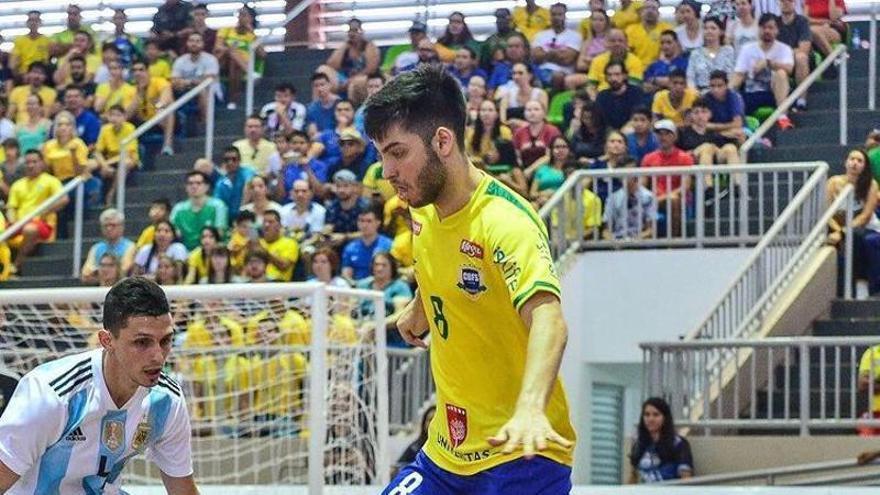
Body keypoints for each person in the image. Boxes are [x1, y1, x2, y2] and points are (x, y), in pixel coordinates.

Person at [366, 64, 575, 495]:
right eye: (381, 154)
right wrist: (421, 304)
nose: (387, 170)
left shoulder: (506, 222)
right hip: (447, 452)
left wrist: (530, 408)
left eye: (397, 152)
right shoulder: (422, 207)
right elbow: (442, 260)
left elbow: (549, 320)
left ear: (443, 141)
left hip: (521, 450)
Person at [0, 277, 199, 494]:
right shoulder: (51, 395)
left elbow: (183, 490)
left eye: (166, 341)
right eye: (142, 342)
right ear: (107, 341)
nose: (158, 357)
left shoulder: (167, 399)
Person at [827, 149, 880, 297]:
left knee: (856, 238)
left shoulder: (871, 184)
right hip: (839, 229)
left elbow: (865, 216)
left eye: (859, 161)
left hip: (867, 228)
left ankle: (862, 287)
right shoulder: (833, 182)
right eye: (852, 159)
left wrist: (843, 232)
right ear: (846, 162)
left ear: (865, 166)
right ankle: (841, 291)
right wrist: (838, 231)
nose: (854, 163)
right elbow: (827, 213)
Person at [6, 150, 67, 273]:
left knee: (30, 229)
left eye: (34, 162)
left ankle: (16, 265)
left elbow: (64, 199)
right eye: (28, 162)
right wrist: (12, 220)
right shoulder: (17, 185)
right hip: (19, 223)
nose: (31, 165)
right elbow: (11, 207)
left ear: (42, 163)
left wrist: (45, 212)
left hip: (42, 224)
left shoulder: (51, 181)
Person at [732, 14, 795, 130]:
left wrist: (768, 63)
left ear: (777, 31)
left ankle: (783, 117)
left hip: (774, 93)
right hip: (751, 93)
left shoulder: (784, 49)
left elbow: (789, 69)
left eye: (771, 28)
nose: (766, 31)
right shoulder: (747, 49)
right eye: (763, 27)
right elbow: (738, 74)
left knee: (781, 73)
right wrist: (729, 90)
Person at [641, 119, 694, 236]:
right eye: (659, 133)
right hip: (654, 200)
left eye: (667, 133)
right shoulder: (648, 158)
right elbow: (642, 186)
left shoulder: (685, 158)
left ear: (675, 136)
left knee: (673, 200)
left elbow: (685, 187)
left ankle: (675, 242)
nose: (663, 137)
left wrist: (663, 198)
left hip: (678, 200)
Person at [628, 397, 694, 483]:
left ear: (665, 418)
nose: (650, 419)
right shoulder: (638, 443)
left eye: (656, 415)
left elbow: (686, 480)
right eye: (647, 415)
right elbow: (633, 478)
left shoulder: (678, 444)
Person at [356, 252, 414, 346]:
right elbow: (352, 307)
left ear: (392, 267)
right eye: (377, 265)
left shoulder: (400, 287)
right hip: (362, 335)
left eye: (384, 265)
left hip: (391, 343)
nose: (379, 268)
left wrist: (375, 325)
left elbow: (399, 316)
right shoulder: (362, 285)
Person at [214, 5, 263, 109]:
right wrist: (230, 50)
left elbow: (262, 55)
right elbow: (217, 47)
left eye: (244, 15)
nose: (241, 17)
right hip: (222, 62)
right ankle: (250, 73)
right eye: (239, 14)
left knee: (235, 64)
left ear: (251, 19)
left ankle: (232, 101)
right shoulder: (226, 30)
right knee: (232, 51)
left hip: (239, 65)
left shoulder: (251, 35)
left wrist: (253, 33)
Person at [324, 18, 380, 106]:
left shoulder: (369, 46)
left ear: (362, 32)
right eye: (350, 31)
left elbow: (371, 69)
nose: (352, 34)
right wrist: (345, 46)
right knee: (322, 73)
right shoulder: (345, 47)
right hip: (344, 78)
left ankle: (351, 110)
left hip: (364, 79)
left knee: (353, 85)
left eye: (355, 30)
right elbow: (331, 65)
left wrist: (351, 80)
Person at [171, 171, 228, 251]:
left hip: (212, 251)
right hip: (186, 253)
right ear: (186, 187)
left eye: (198, 183)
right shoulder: (178, 209)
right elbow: (172, 233)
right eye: (190, 183)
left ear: (207, 186)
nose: (194, 186)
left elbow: (220, 233)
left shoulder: (218, 205)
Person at [531, 3, 582, 90]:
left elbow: (567, 59)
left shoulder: (575, 36)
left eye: (560, 14)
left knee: (557, 76)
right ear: (550, 16)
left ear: (565, 16)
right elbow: (535, 57)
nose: (556, 17)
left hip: (563, 72)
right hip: (540, 71)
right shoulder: (540, 35)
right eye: (553, 14)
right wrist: (557, 53)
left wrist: (546, 54)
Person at [603, 159, 657, 239]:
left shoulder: (649, 197)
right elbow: (606, 231)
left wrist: (634, 240)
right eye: (622, 173)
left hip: (640, 242)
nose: (625, 176)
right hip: (617, 242)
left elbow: (650, 230)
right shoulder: (612, 198)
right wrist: (613, 241)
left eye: (628, 173)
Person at [586, 29, 645, 97]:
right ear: (606, 43)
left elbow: (633, 86)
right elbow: (591, 86)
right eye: (612, 41)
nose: (617, 44)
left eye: (620, 41)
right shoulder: (597, 60)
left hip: (625, 98)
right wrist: (595, 100)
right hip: (601, 97)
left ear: (626, 43)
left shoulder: (635, 61)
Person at [777, 0, 812, 111]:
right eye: (782, 0)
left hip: (799, 62)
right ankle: (782, 111)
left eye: (789, 0)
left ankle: (801, 101)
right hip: (781, 62)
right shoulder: (774, 23)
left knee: (801, 57)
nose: (785, 3)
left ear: (794, 3)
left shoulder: (802, 21)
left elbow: (804, 49)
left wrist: (783, 53)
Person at [341, 207, 393, 281]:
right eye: (361, 221)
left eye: (369, 221)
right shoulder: (350, 248)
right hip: (356, 287)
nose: (364, 225)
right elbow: (346, 274)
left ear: (378, 223)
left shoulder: (388, 245)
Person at [687, 17, 736, 92]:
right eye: (706, 28)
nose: (709, 31)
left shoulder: (728, 51)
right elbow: (690, 78)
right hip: (701, 95)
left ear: (721, 31)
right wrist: (695, 94)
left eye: (713, 28)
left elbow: (732, 75)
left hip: (724, 93)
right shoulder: (695, 53)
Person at [596, 61, 646, 131]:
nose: (613, 79)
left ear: (625, 75)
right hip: (608, 134)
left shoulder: (636, 92)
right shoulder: (602, 96)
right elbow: (601, 120)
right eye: (609, 75)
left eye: (617, 74)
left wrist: (621, 133)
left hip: (631, 131)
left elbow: (638, 116)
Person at [626, 0, 675, 68]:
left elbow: (672, 52)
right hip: (636, 68)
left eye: (653, 8)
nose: (650, 11)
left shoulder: (667, 29)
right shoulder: (630, 30)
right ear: (641, 12)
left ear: (658, 13)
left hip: (660, 69)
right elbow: (627, 53)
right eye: (647, 8)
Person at [214, 146, 256, 223]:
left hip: (248, 216)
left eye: (234, 159)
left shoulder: (247, 172)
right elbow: (218, 204)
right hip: (229, 220)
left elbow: (249, 184)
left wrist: (241, 211)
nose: (230, 162)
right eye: (227, 160)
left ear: (239, 160)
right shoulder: (220, 183)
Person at [529, 136, 576, 207]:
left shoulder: (574, 170)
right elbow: (532, 194)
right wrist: (543, 195)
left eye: (564, 147)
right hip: (541, 202)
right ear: (551, 150)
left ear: (569, 149)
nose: (560, 150)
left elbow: (573, 191)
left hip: (564, 204)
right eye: (557, 147)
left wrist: (553, 194)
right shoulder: (542, 169)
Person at [498, 63, 548, 128]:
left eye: (520, 73)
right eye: (514, 73)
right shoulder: (507, 95)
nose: (516, 77)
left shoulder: (540, 94)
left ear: (530, 76)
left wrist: (521, 124)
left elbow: (543, 118)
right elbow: (503, 120)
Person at [255, 210, 299, 281]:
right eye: (264, 222)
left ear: (279, 225)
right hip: (254, 282)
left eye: (271, 222)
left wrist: (263, 251)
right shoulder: (257, 242)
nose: (266, 225)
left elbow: (284, 266)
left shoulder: (290, 243)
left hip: (278, 284)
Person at [10, 11, 50, 77]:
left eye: (36, 20)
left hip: (41, 75)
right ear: (27, 23)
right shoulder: (19, 40)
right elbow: (13, 63)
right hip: (23, 75)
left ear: (40, 23)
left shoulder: (46, 40)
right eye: (31, 20)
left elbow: (46, 62)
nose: (33, 23)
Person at [306, 72, 342, 136]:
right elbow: (312, 133)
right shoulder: (311, 108)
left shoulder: (341, 104)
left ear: (329, 85)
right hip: (320, 142)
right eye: (316, 86)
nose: (319, 89)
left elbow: (342, 128)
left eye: (322, 85)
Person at [857, 344, 880, 436]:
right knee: (865, 432)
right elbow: (862, 384)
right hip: (876, 414)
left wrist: (875, 384)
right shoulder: (872, 352)